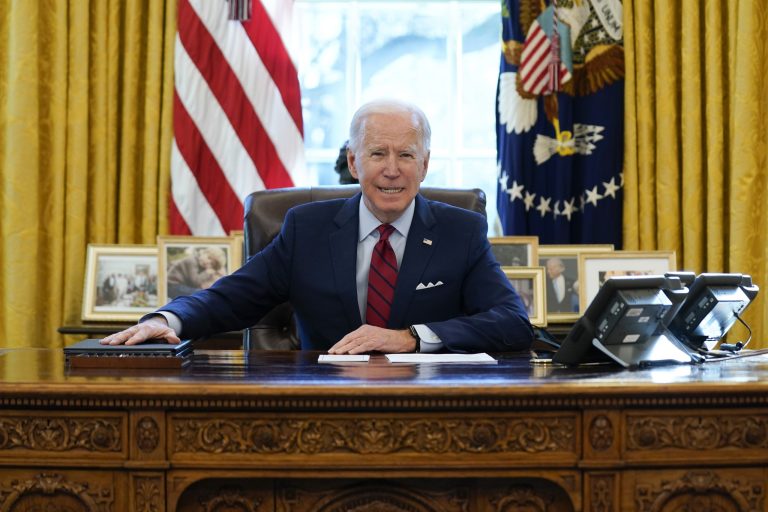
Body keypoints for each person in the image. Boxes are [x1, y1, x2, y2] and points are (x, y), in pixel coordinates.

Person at [102, 99, 534, 354]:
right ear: (353, 162)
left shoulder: (461, 231)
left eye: (406, 155)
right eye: (377, 154)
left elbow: (513, 322)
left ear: (424, 164)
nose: (392, 170)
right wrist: (168, 319)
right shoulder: (307, 228)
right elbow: (230, 298)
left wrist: (412, 338)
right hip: (322, 403)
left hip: (429, 407)